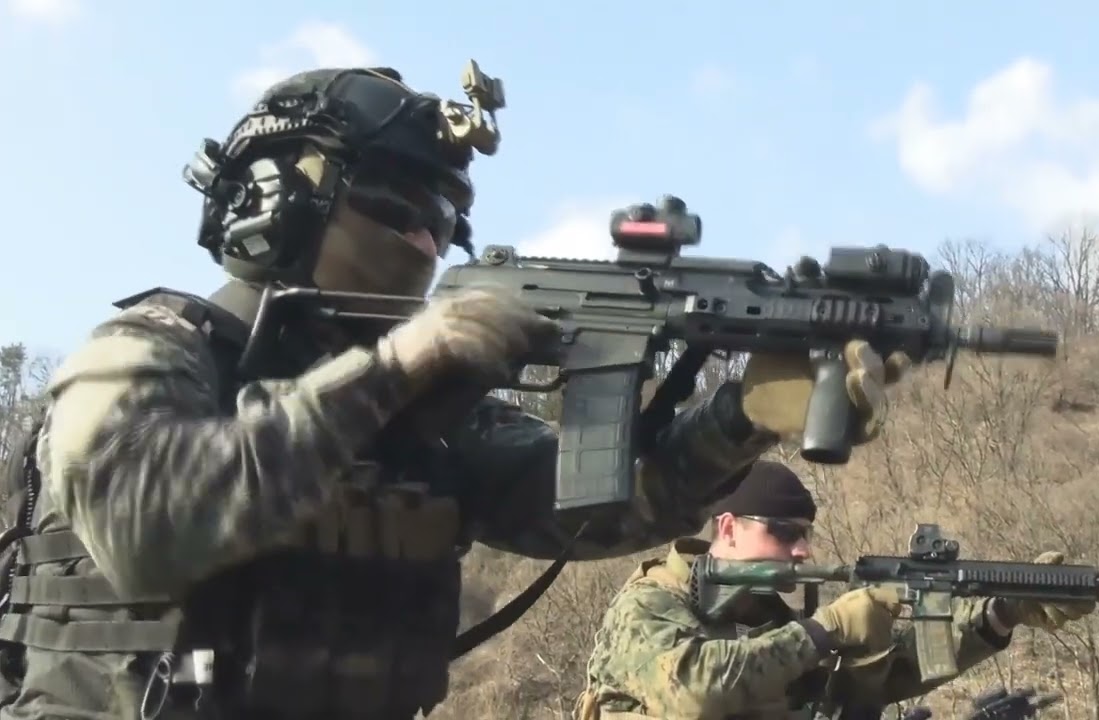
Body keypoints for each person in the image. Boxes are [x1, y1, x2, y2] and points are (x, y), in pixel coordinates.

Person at [0, 63, 911, 720]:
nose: (424, 250)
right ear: (277, 202)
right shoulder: (151, 350)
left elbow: (584, 511)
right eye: (397, 212)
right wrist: (402, 365)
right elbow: (146, 530)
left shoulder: (429, 412)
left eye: (443, 227)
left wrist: (738, 418)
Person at [577, 461, 1098, 719]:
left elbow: (866, 682)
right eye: (784, 532)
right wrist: (827, 628)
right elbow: (694, 688)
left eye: (805, 534)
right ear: (729, 528)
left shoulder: (767, 621)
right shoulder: (650, 603)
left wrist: (997, 617)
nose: (802, 550)